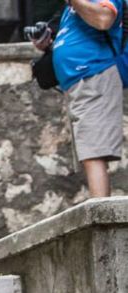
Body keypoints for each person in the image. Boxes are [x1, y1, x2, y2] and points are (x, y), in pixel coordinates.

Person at [34, 0, 123, 197]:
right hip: (80, 81)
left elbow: (104, 19)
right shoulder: (71, 8)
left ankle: (101, 217)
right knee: (89, 151)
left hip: (94, 74)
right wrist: (48, 42)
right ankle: (100, 213)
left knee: (93, 152)